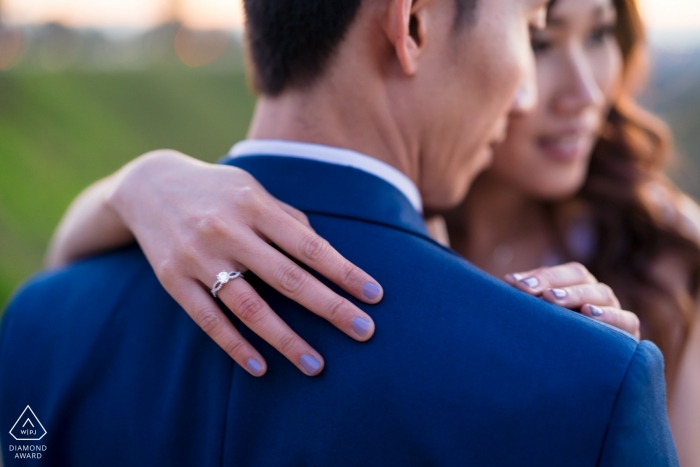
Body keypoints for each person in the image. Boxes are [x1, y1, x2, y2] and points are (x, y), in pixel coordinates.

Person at [0, 0, 678, 465]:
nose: (529, 94)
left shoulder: (36, 320)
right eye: (529, 27)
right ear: (411, 24)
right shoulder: (588, 379)